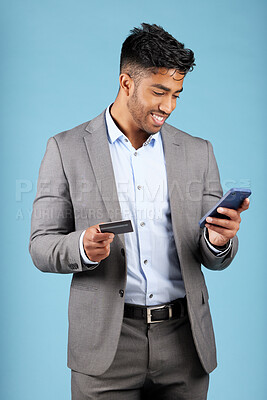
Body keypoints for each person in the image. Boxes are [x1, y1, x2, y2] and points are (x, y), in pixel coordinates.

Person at [29, 23, 250, 400]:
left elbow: (215, 258)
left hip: (185, 344)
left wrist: (217, 241)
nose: (169, 106)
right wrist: (82, 247)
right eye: (160, 92)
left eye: (177, 94)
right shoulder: (65, 149)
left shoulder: (199, 152)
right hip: (105, 347)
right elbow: (40, 246)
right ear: (126, 83)